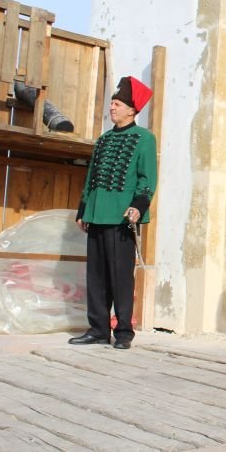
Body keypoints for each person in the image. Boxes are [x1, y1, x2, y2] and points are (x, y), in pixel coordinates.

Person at [69, 76, 158, 350]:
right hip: (97, 215)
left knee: (120, 278)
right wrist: (83, 210)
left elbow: (147, 178)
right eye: (112, 103)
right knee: (96, 277)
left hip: (122, 217)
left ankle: (123, 332)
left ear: (132, 110)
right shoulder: (103, 139)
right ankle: (98, 329)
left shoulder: (144, 139)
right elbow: (91, 177)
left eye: (117, 104)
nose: (112, 107)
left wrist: (138, 206)